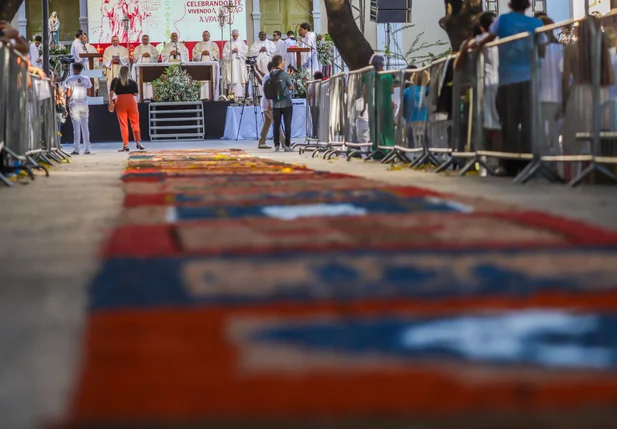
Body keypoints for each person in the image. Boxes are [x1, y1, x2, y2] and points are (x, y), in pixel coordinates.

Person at [475, 0, 545, 177]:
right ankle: (529, 162)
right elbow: (542, 50)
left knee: (509, 123)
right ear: (528, 5)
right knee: (528, 122)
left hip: (507, 79)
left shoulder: (503, 20)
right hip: (529, 78)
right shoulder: (536, 24)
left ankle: (509, 165)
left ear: (510, 5)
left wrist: (475, 46)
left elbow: (488, 38)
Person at [538, 16, 563, 155]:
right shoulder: (560, 48)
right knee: (555, 136)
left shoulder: (539, 50)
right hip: (557, 96)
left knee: (543, 136)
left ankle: (545, 168)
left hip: (542, 96)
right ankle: (556, 167)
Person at [109, 65, 144, 152]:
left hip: (120, 101)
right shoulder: (132, 81)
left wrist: (110, 101)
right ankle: (138, 142)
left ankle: (125, 145)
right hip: (131, 101)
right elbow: (135, 93)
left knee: (123, 124)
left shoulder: (115, 80)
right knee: (135, 122)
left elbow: (111, 92)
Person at [64, 62, 93, 155]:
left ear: (75, 69)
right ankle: (87, 148)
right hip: (84, 103)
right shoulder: (86, 79)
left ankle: (77, 149)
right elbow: (89, 93)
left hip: (74, 104)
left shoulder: (70, 79)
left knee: (76, 127)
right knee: (85, 126)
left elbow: (68, 94)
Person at [268, 54, 294, 152]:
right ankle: (287, 145)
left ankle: (276, 145)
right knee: (287, 125)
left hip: (275, 104)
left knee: (276, 125)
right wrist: (289, 76)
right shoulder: (285, 74)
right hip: (287, 103)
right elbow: (290, 86)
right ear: (281, 62)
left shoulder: (271, 74)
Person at [258, 61, 285, 149]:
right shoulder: (268, 76)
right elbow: (267, 91)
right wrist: (269, 103)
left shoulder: (270, 76)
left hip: (268, 102)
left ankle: (262, 142)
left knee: (267, 122)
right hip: (268, 103)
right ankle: (284, 142)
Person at [222, 29, 248, 97]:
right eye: (233, 36)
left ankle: (241, 96)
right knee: (232, 78)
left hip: (239, 64)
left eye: (236, 36)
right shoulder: (228, 43)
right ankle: (232, 96)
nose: (235, 37)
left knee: (239, 79)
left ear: (238, 35)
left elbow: (245, 52)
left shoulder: (242, 42)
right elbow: (224, 53)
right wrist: (231, 51)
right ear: (231, 35)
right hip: (232, 64)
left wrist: (238, 51)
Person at [307, 71, 323, 139]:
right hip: (320, 104)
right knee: (320, 119)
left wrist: (309, 103)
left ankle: (314, 134)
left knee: (314, 120)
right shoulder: (322, 84)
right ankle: (320, 134)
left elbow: (309, 95)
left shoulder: (311, 85)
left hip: (313, 104)